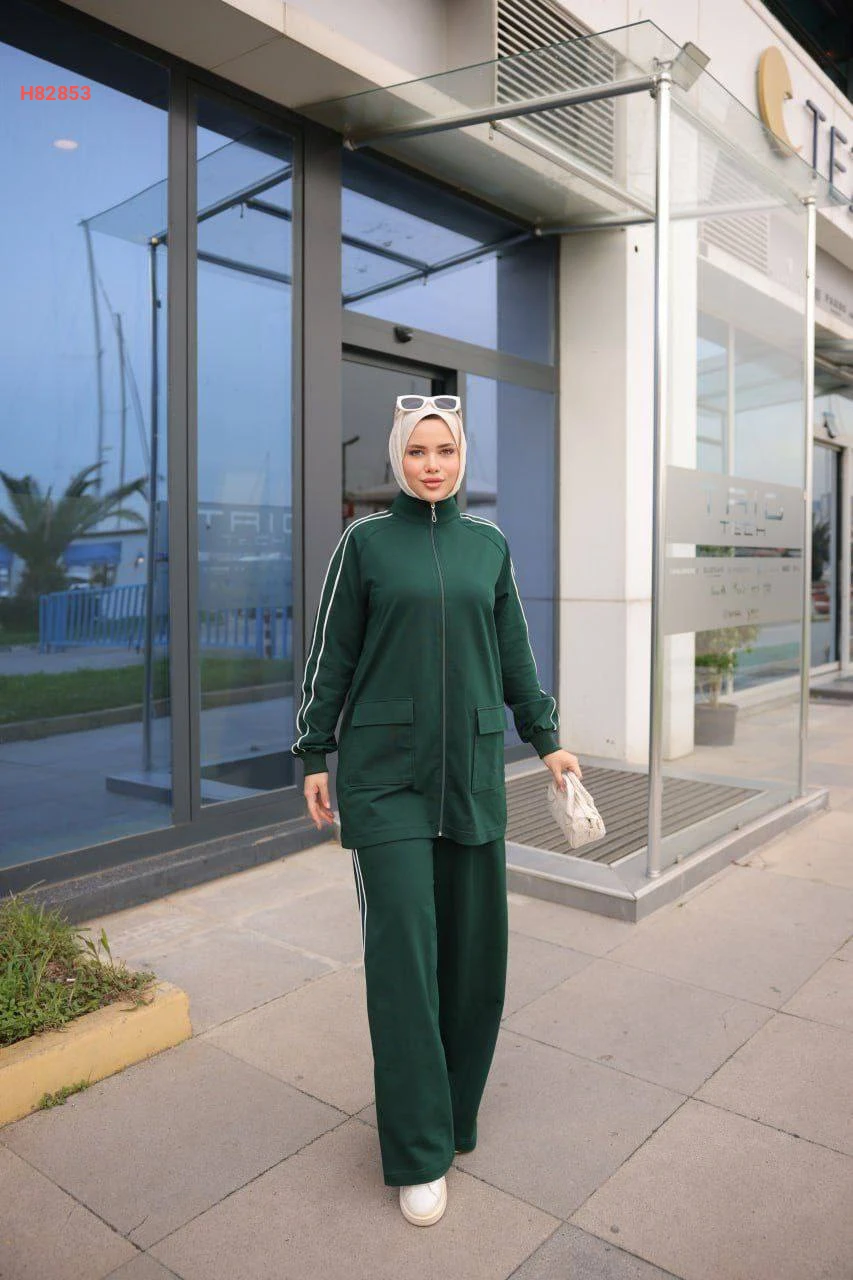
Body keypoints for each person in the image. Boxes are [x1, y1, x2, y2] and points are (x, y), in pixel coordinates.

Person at [291, 393, 581, 1226]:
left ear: (460, 458)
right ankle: (418, 1153)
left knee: (474, 958)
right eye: (416, 451)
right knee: (404, 963)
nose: (431, 465)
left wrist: (547, 738)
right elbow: (332, 653)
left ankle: (454, 1113)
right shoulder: (364, 544)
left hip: (471, 775)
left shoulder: (488, 546)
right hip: (384, 778)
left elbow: (515, 654)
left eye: (444, 451)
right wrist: (313, 749)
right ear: (397, 457)